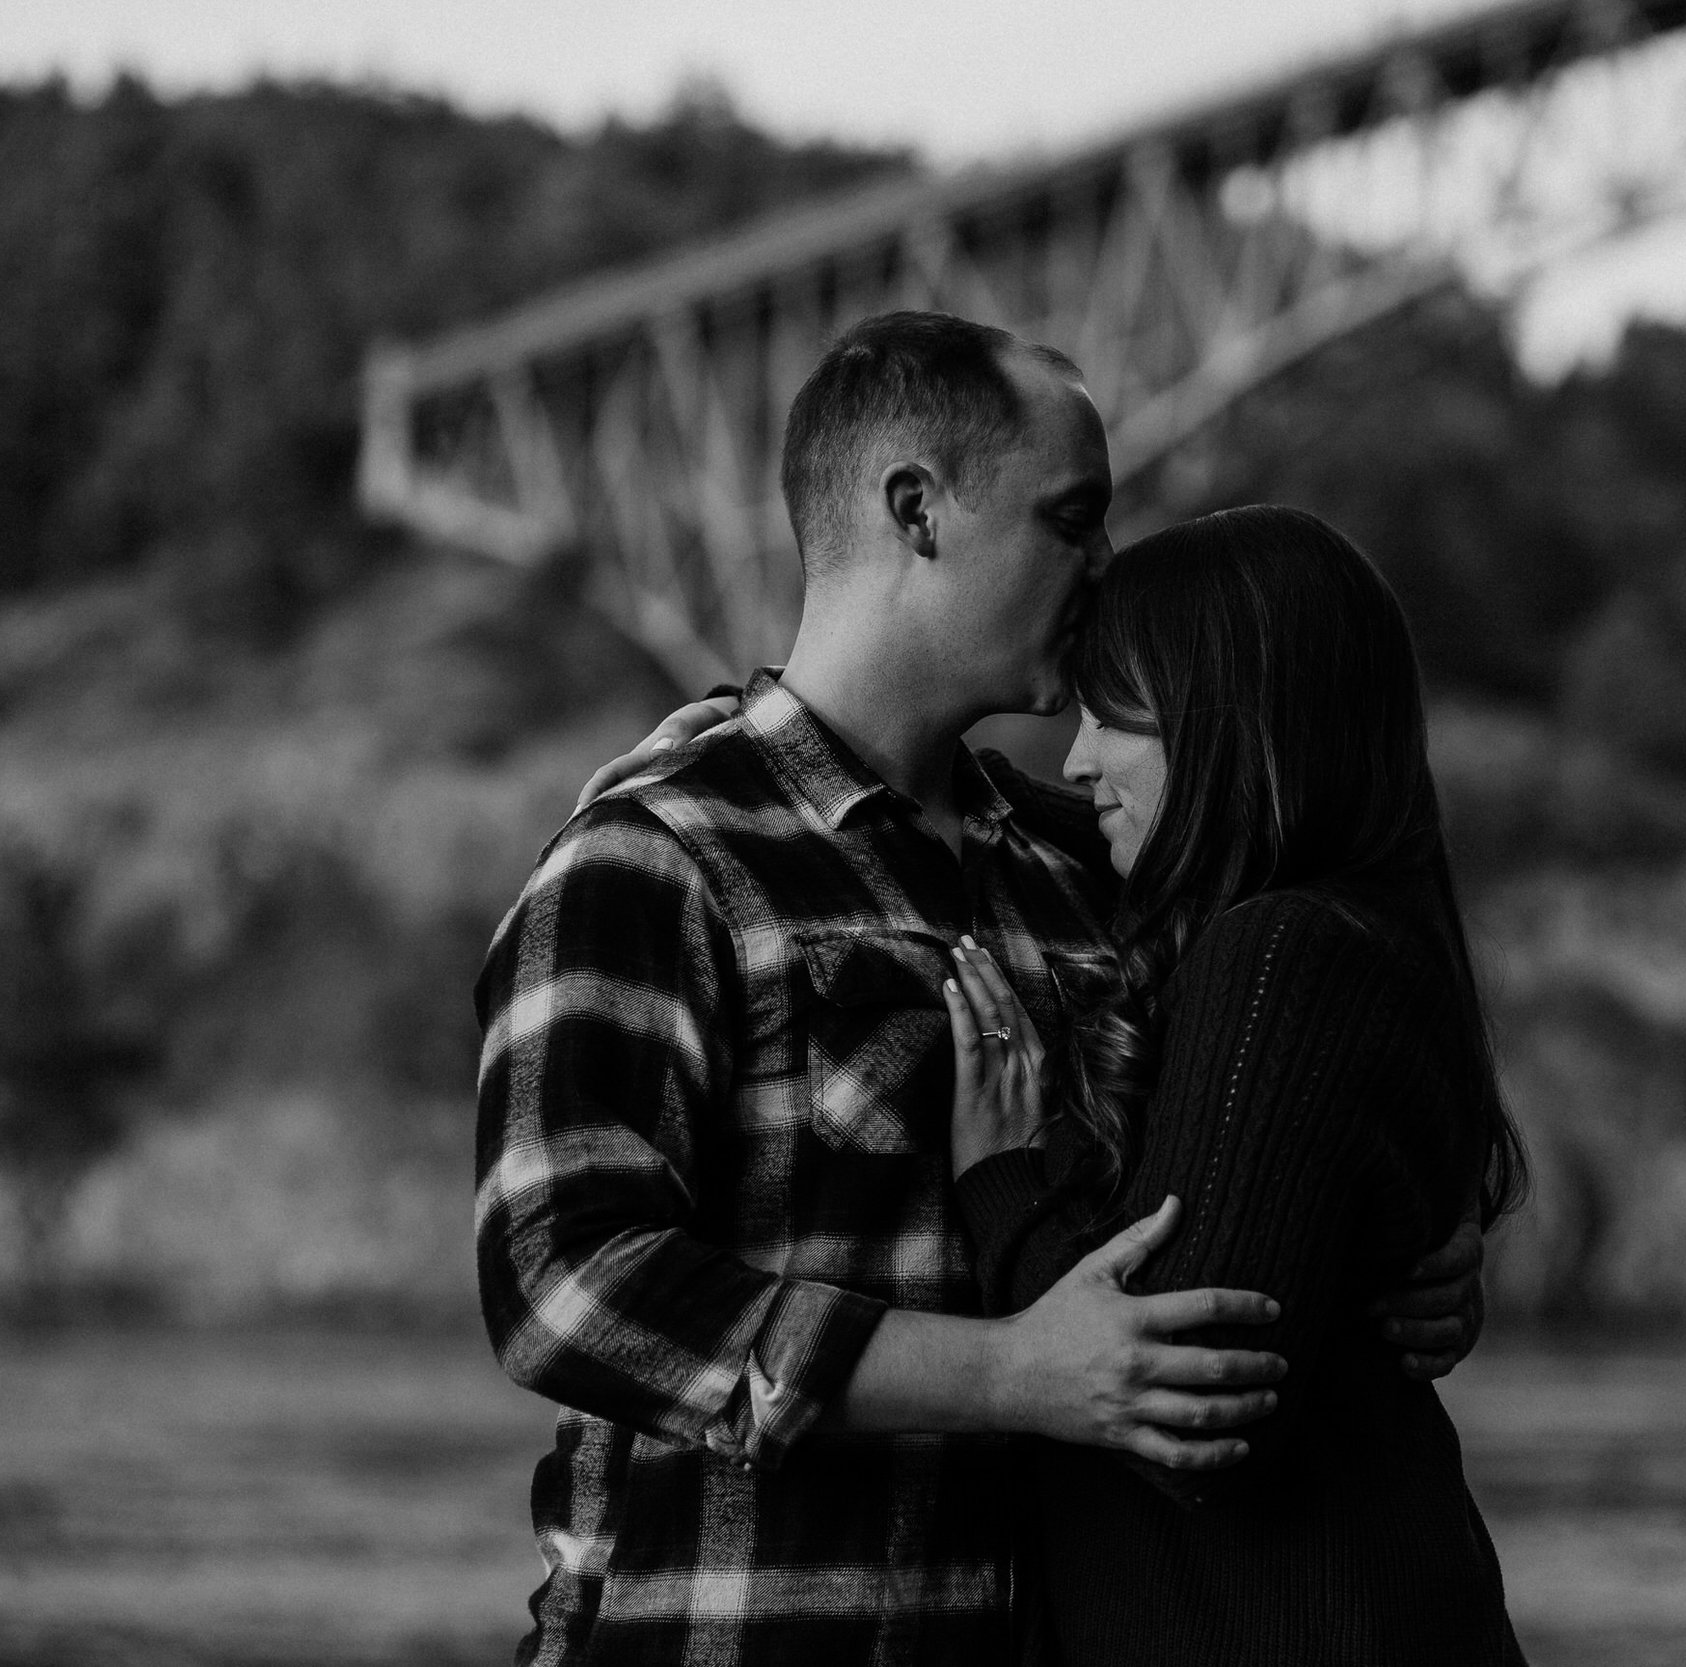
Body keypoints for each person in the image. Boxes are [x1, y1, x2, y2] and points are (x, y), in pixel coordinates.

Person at [475, 312, 1483, 1666]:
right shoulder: (659, 857)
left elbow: (1247, 1155)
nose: (1105, 569)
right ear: (918, 512)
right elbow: (563, 1278)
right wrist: (1015, 1371)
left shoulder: (1083, 866)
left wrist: (1405, 1249)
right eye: (1073, 520)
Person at [943, 505, 1530, 1666]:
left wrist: (1001, 1182)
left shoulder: (1278, 953)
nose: (1076, 757)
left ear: (1231, 726)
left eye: (1117, 716)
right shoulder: (1365, 931)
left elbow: (1184, 1416)